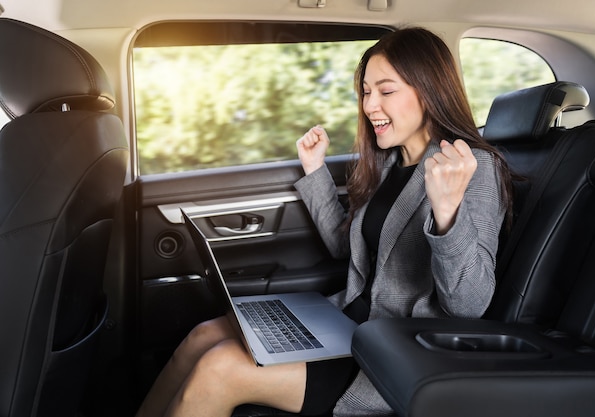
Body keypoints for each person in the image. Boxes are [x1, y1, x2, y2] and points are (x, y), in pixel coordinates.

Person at [135, 26, 513, 417]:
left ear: (429, 90)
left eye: (386, 91)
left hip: (399, 353)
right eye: (366, 92)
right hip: (348, 325)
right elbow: (346, 249)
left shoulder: (472, 167)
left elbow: (469, 304)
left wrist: (447, 213)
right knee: (202, 336)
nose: (369, 106)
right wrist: (315, 170)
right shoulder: (391, 163)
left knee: (220, 368)